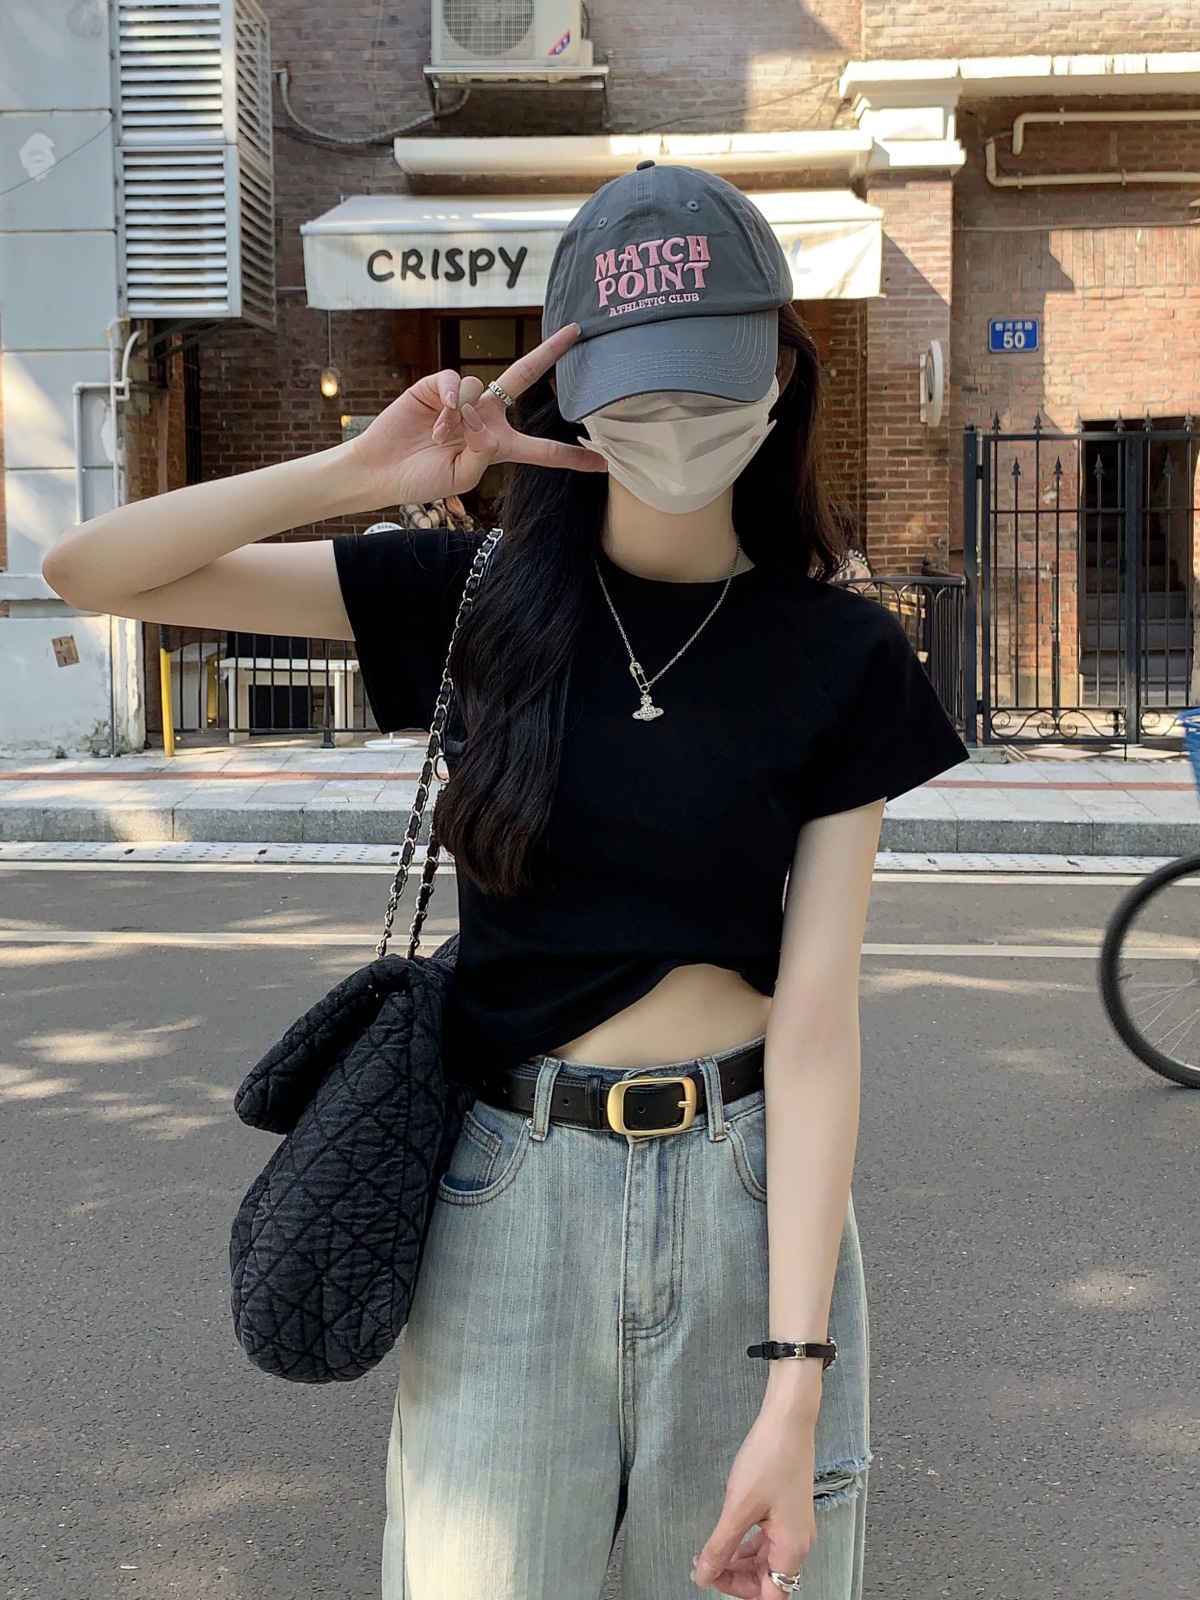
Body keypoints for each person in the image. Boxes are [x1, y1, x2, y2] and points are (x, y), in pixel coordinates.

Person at [42, 162, 971, 1600]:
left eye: (708, 382)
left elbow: (817, 1024)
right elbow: (93, 569)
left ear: (780, 376)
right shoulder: (472, 598)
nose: (674, 423)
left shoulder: (843, 654)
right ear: (574, 392)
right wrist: (367, 476)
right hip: (509, 1192)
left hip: (746, 1196)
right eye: (640, 388)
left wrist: (796, 1381)